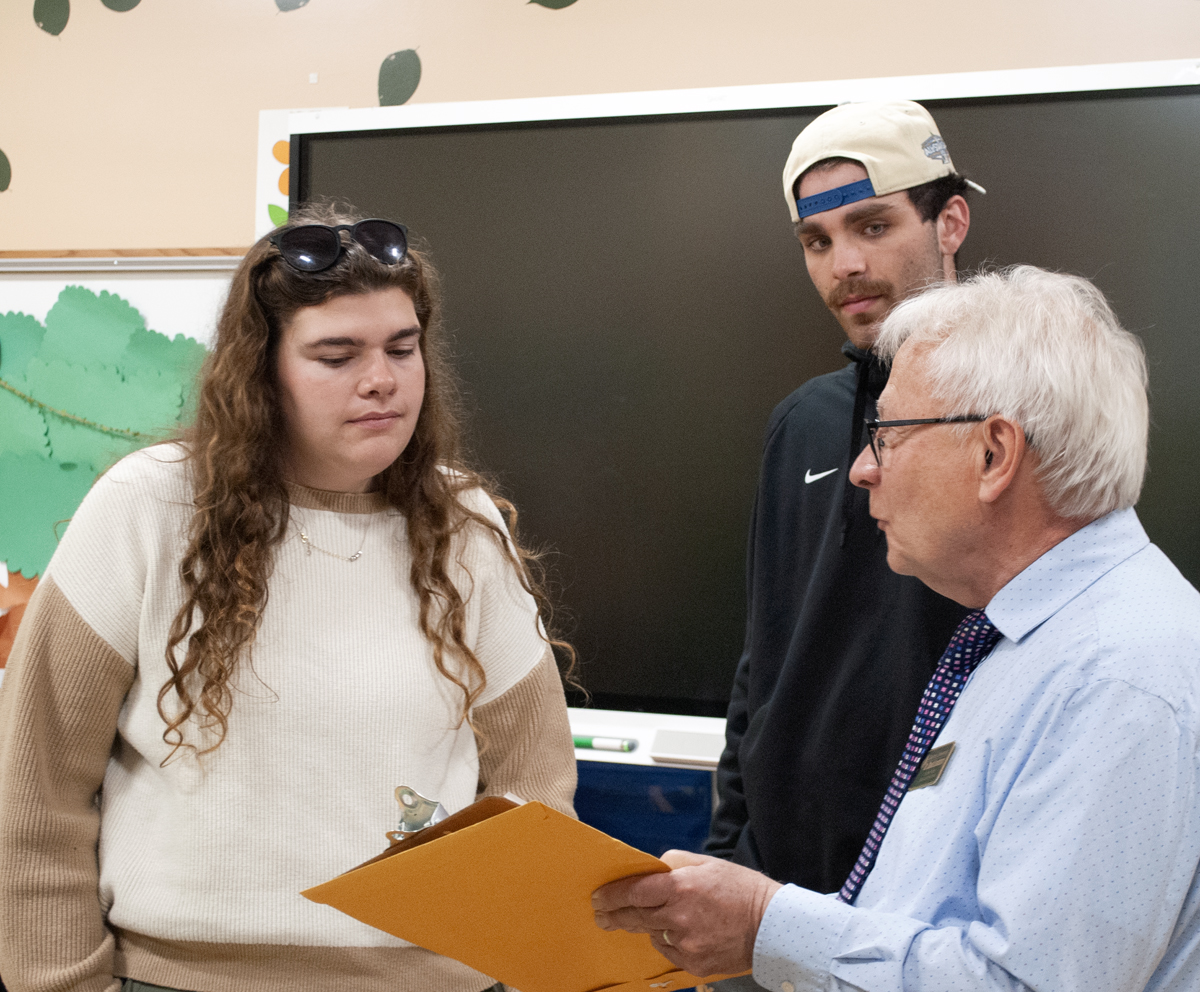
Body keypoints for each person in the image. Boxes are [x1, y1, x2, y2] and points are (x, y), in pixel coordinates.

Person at [0, 209, 577, 992]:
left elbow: (533, 790)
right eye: (336, 355)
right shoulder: (148, 508)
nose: (382, 379)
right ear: (260, 371)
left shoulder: (464, 526)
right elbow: (34, 794)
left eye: (402, 349)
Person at [593, 266, 1200, 992]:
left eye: (887, 434)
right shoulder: (1031, 639)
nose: (859, 470)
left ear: (993, 454)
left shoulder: (1116, 681)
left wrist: (766, 927)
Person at [706, 100, 977, 894]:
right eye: (816, 241)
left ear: (949, 222)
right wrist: (731, 851)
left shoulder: (1022, 412)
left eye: (872, 226)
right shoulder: (804, 424)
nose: (843, 264)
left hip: (929, 893)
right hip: (775, 889)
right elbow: (766, 656)